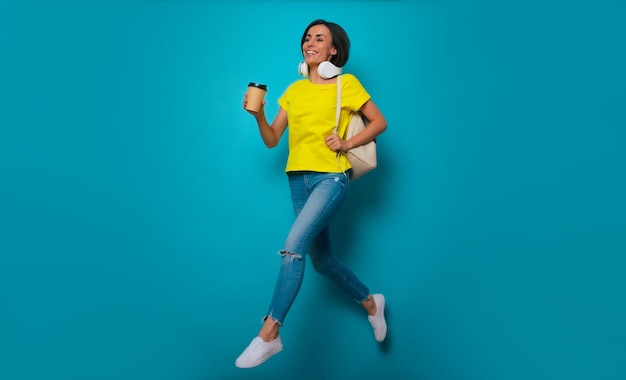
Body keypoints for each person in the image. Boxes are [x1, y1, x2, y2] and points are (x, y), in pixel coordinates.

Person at [235, 19, 388, 369]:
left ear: (334, 50)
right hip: (297, 179)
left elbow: (379, 122)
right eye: (307, 37)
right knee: (322, 261)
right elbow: (273, 140)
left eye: (320, 38)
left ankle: (269, 332)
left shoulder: (346, 85)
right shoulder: (294, 90)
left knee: (294, 245)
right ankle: (371, 303)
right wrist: (258, 115)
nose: (311, 42)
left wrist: (347, 142)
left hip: (331, 179)